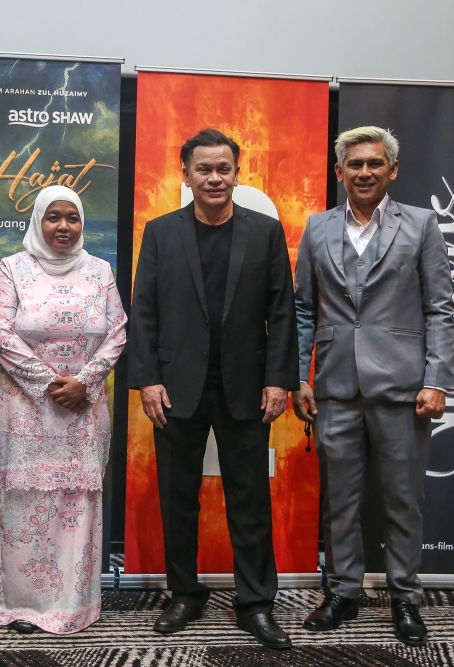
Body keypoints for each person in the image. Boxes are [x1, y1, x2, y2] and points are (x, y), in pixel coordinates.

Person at [129, 129, 299, 649]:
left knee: (249, 501)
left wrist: (279, 379)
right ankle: (185, 595)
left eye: (224, 168)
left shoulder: (265, 232)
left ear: (237, 173)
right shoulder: (161, 232)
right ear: (185, 174)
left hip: (246, 387)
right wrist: (148, 379)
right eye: (203, 169)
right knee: (178, 498)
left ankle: (256, 603)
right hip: (175, 387)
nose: (214, 178)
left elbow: (282, 312)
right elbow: (144, 310)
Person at [292, 127, 454, 647]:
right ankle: (343, 592)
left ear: (393, 170)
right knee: (340, 501)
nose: (364, 172)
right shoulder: (317, 227)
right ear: (339, 171)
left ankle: (405, 596)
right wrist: (299, 377)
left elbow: (440, 308)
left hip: (404, 389)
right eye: (355, 164)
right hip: (335, 386)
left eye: (375, 163)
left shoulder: (422, 224)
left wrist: (437, 379)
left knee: (402, 500)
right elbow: (302, 309)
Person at [0, 185, 127, 634]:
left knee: (76, 506)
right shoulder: (13, 268)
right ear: (38, 221)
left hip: (84, 410)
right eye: (54, 217)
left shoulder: (100, 271)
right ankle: (24, 605)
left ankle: (72, 605)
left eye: (72, 217)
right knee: (23, 507)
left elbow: (118, 332)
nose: (64, 226)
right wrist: (50, 383)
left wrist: (84, 382)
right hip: (24, 411)